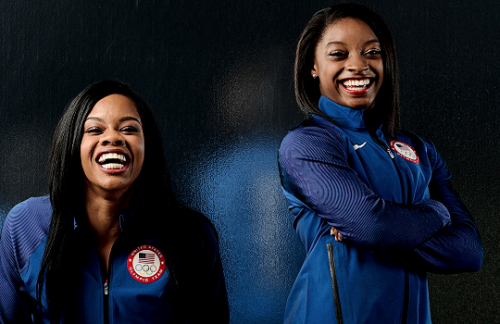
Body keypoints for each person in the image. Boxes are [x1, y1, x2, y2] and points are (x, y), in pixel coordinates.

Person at [278, 3, 483, 324]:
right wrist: (436, 212)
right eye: (338, 54)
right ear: (313, 66)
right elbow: (373, 227)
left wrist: (380, 228)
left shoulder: (419, 149)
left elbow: (469, 252)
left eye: (372, 52)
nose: (358, 65)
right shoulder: (307, 144)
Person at [0, 79, 230, 323]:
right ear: (72, 145)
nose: (113, 138)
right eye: (95, 130)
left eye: (129, 129)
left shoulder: (191, 235)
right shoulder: (25, 226)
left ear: (147, 147)